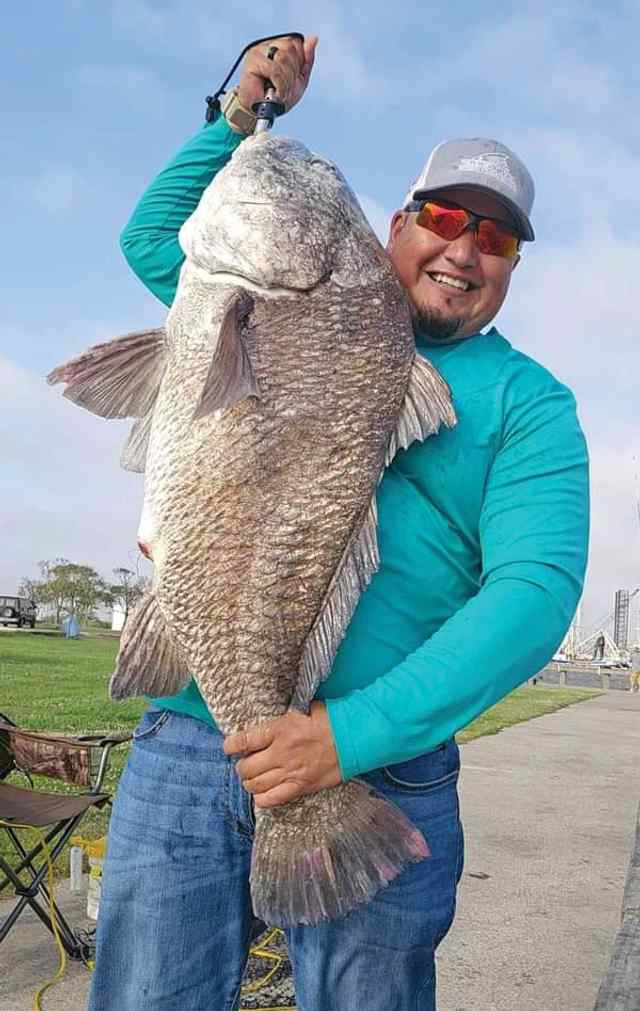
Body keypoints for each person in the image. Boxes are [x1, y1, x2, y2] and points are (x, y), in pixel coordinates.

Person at [87, 34, 589, 1011]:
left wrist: (345, 738)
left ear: (513, 265)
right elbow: (156, 238)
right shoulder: (274, 303)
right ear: (395, 225)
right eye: (445, 217)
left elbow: (534, 596)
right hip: (193, 735)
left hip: (381, 771)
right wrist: (241, 116)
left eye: (496, 239)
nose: (464, 249)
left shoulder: (532, 405)